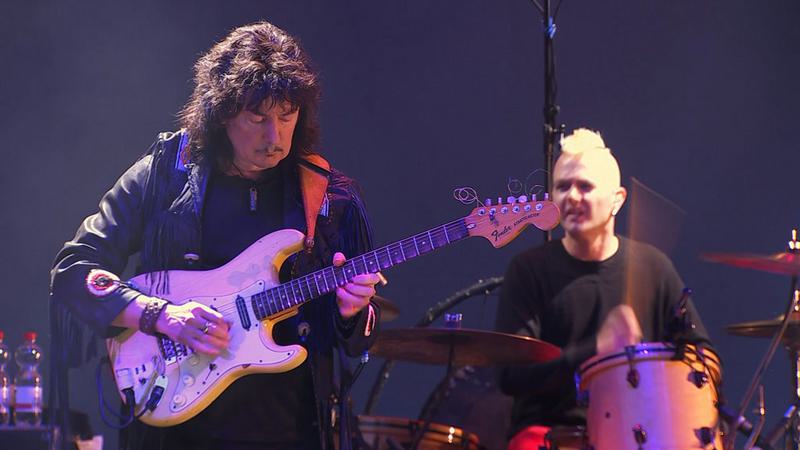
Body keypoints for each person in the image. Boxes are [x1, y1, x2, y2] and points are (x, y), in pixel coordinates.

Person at [50, 21, 381, 450]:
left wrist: (352, 311)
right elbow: (73, 271)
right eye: (257, 118)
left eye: (286, 117)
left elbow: (359, 339)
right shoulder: (165, 175)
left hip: (291, 431)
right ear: (222, 113)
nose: (274, 137)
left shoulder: (327, 197)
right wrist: (161, 315)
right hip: (173, 435)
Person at [494, 128, 711, 449]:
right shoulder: (528, 270)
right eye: (562, 187)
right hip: (551, 435)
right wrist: (597, 348)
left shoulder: (653, 267)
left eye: (584, 186)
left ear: (617, 200)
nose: (571, 197)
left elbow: (701, 358)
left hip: (638, 434)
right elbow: (510, 376)